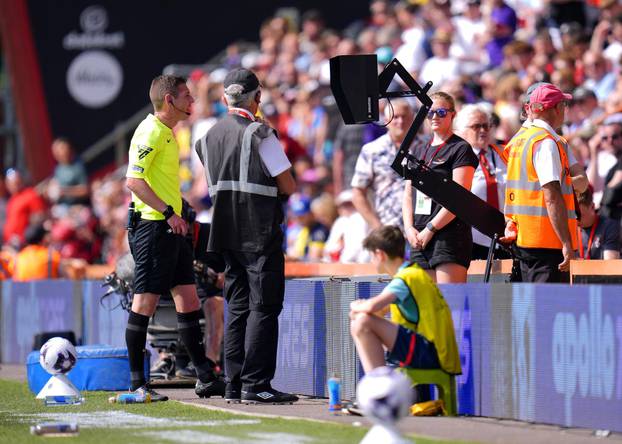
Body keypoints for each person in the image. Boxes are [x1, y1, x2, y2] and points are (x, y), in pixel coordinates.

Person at [195, 68, 298, 404]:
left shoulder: (205, 137)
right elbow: (288, 185)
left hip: (224, 232)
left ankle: (233, 383)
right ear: (257, 97)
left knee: (236, 305)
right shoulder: (260, 133)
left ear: (225, 98)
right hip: (259, 230)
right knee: (264, 306)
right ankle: (257, 385)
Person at [124, 74, 224, 402]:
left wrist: (179, 211)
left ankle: (205, 377)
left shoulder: (168, 133)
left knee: (189, 300)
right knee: (145, 302)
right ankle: (137, 383)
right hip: (154, 228)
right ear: (169, 100)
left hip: (172, 229)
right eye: (187, 96)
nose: (192, 102)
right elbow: (134, 182)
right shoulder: (151, 131)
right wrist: (169, 212)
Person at [502, 84, 589, 282]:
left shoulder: (520, 140)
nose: (565, 109)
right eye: (564, 104)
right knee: (548, 310)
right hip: (547, 244)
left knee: (533, 310)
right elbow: (551, 196)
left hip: (525, 240)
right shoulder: (546, 142)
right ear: (556, 108)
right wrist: (566, 242)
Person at [349, 225, 461, 377]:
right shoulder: (410, 273)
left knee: (362, 321)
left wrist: (355, 305)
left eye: (371, 256)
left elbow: (372, 306)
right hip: (432, 350)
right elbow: (378, 311)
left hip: (431, 352)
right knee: (360, 320)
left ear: (379, 254)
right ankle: (378, 382)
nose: (371, 260)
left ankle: (378, 386)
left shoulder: (406, 277)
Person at [403, 92, 478, 283]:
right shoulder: (418, 149)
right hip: (419, 235)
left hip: (448, 234)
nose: (434, 117)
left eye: (441, 112)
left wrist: (431, 228)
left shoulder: (460, 148)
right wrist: (409, 227)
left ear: (453, 114)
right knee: (427, 305)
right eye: (429, 113)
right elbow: (408, 195)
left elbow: (459, 198)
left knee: (450, 303)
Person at [455, 104, 509, 260]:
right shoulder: (458, 159)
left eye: (486, 126)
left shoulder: (503, 154)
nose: (483, 130)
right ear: (460, 131)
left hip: (506, 235)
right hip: (472, 239)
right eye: (476, 126)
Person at [351, 99, 416, 231]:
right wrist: (377, 227)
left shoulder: (425, 147)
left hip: (420, 229)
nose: (400, 121)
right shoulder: (372, 150)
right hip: (389, 227)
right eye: (395, 117)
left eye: (405, 116)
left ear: (413, 119)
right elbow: (357, 193)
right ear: (386, 120)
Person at [3, 168, 47, 250]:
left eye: (16, 182)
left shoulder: (30, 195)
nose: (14, 186)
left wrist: (27, 236)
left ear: (21, 181)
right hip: (10, 244)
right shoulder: (11, 201)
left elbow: (40, 216)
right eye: (11, 184)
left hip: (25, 244)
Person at [577, 187, 620, 260]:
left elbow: (610, 265)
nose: (576, 220)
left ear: (592, 207)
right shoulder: (568, 227)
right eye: (572, 215)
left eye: (579, 215)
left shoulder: (609, 226)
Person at [47, 137, 90, 206]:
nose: (57, 153)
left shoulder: (79, 165)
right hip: (62, 207)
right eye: (55, 151)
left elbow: (85, 190)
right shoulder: (58, 169)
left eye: (60, 149)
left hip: (80, 206)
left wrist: (63, 191)